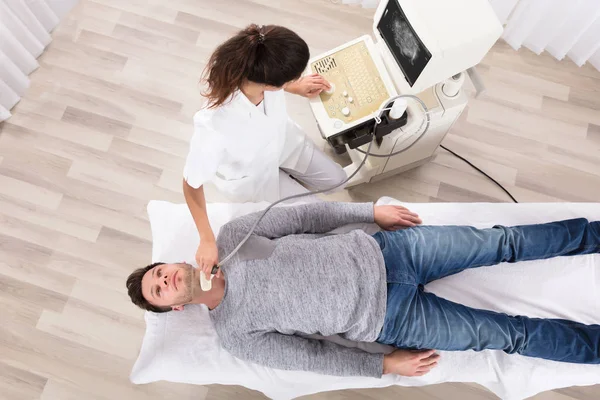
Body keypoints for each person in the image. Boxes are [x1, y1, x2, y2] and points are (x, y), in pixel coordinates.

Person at [126, 202, 600, 378]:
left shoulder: (232, 237)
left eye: (159, 273)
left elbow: (307, 217)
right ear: (178, 305)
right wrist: (382, 364)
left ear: (174, 263)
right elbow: (312, 359)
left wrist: (371, 213)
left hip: (391, 252)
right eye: (160, 291)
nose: (164, 280)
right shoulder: (233, 333)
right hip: (390, 318)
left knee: (505, 242)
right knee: (509, 336)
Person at [183, 23, 347, 280]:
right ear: (271, 84)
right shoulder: (213, 126)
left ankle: (296, 178)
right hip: (257, 179)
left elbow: (275, 83)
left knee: (338, 180)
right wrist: (206, 239)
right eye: (290, 79)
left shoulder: (258, 56)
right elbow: (191, 185)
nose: (292, 82)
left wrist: (297, 86)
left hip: (285, 145)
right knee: (319, 217)